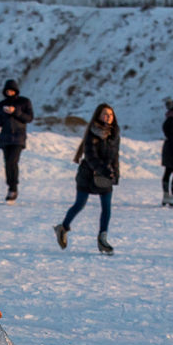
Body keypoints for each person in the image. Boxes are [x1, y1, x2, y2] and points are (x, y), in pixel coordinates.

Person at [53, 103, 120, 255]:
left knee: (107, 207)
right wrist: (104, 170)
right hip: (87, 175)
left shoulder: (114, 134)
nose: (108, 117)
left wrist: (115, 173)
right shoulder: (92, 133)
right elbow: (91, 157)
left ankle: (102, 239)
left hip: (105, 175)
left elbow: (115, 156)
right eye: (105, 114)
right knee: (79, 204)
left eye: (110, 114)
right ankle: (63, 227)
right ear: (98, 116)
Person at [0, 79, 34, 203]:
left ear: (16, 91)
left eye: (11, 90)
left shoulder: (24, 102)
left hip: (18, 136)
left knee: (13, 161)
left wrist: (15, 112)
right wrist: (0, 120)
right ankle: (10, 186)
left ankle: (13, 188)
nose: (9, 92)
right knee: (7, 163)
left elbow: (29, 118)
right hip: (5, 137)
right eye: (7, 90)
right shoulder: (1, 104)